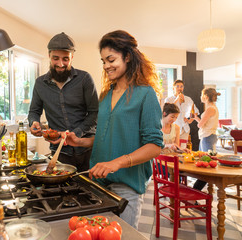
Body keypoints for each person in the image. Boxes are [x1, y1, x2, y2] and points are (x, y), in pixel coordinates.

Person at [64, 30, 163, 228]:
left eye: (111, 59)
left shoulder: (145, 94)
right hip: (99, 183)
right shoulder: (106, 95)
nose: (107, 66)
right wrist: (80, 141)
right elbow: (106, 135)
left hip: (126, 186)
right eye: (103, 61)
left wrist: (116, 163)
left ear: (127, 56)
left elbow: (154, 146)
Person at [28, 32, 99, 172]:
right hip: (59, 152)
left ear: (72, 57)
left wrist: (76, 134)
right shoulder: (40, 83)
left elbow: (94, 113)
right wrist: (34, 122)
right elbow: (34, 111)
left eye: (65, 59)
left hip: (87, 150)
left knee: (89, 190)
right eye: (56, 58)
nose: (60, 64)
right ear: (49, 56)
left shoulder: (85, 79)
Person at [192, 88, 220, 191]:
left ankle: (196, 190)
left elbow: (200, 125)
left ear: (206, 97)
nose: (200, 97)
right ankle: (197, 190)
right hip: (207, 136)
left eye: (201, 95)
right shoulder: (212, 108)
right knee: (204, 163)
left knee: (206, 165)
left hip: (207, 137)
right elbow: (203, 124)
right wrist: (195, 117)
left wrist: (197, 120)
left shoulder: (210, 109)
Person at [164, 80, 199, 148]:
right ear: (173, 88)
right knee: (173, 147)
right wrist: (177, 99)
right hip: (172, 128)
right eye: (177, 86)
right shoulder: (168, 99)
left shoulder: (188, 99)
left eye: (181, 86)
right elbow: (167, 110)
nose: (179, 88)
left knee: (182, 149)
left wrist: (190, 120)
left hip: (184, 128)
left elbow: (195, 111)